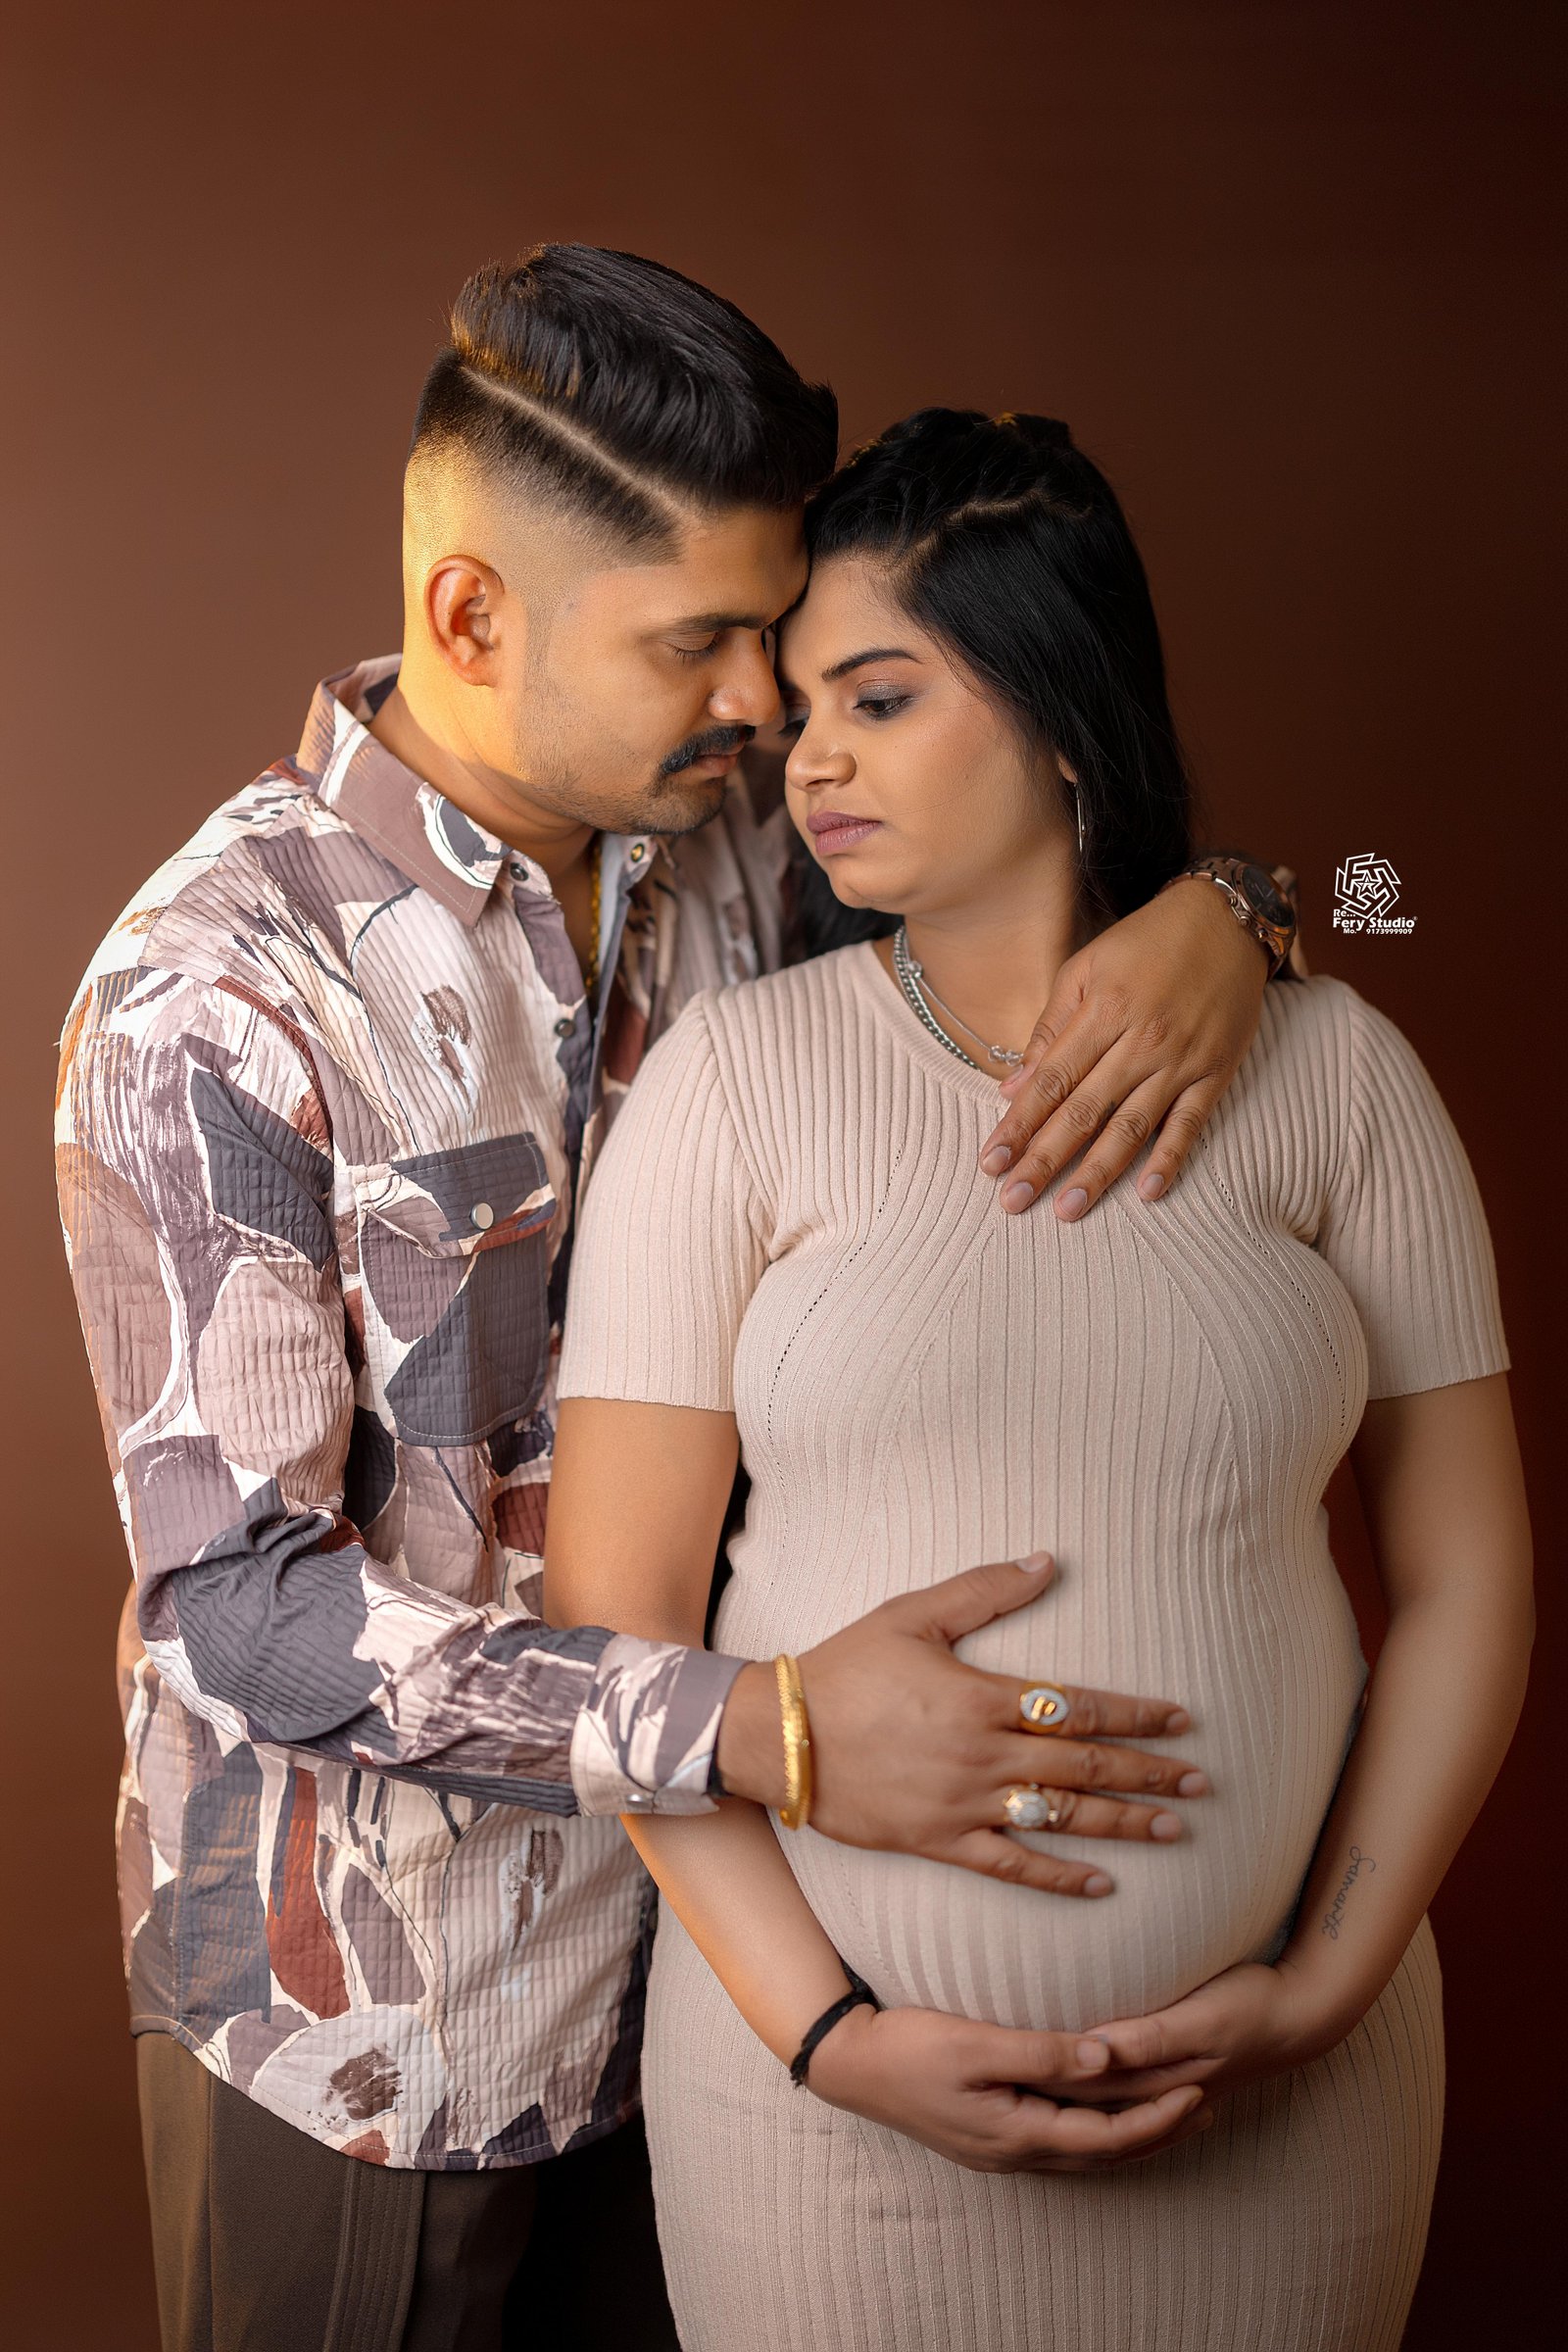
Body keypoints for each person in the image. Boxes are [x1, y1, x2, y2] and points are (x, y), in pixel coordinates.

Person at [57, 251, 1298, 2351]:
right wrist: (772, 1733)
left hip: (718, 2011)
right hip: (376, 2041)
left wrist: (1242, 906)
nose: (764, 700)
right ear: (473, 617)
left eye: (775, 635)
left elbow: (1311, 874)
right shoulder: (210, 993)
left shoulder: (736, 842)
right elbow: (243, 1609)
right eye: (701, 641)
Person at [544, 407, 1533, 2351]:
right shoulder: (733, 1083)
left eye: (880, 697)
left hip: (1287, 2120)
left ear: (1068, 711)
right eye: (802, 709)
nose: (809, 757)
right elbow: (615, 1613)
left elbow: (1468, 1576)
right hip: (821, 2135)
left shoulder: (1336, 1068)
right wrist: (829, 2037)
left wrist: (1321, 1990)